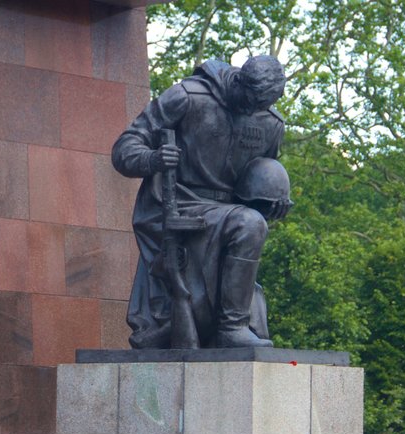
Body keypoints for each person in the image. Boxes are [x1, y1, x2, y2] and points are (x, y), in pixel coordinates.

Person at [112, 55, 292, 349]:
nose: (251, 110)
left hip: (230, 212)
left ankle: (226, 324)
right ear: (239, 81)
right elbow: (124, 149)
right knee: (248, 223)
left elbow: (259, 178)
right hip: (177, 204)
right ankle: (231, 327)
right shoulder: (188, 96)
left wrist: (272, 202)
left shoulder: (270, 122)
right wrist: (152, 158)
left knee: (251, 220)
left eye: (260, 106)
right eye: (249, 101)